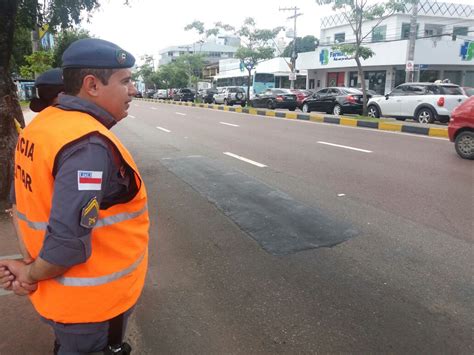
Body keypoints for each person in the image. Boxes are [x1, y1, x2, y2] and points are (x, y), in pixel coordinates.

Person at [0, 38, 149, 355]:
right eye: (126, 81)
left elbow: (18, 202)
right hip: (94, 307)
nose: (133, 90)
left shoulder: (42, 126)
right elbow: (68, 243)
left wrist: (31, 268)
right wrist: (28, 272)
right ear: (92, 85)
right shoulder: (88, 145)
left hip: (61, 297)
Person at [6, 68, 65, 264]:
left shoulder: (30, 132)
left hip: (36, 252)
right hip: (59, 263)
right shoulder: (71, 138)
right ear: (63, 96)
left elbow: (16, 200)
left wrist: (27, 259)